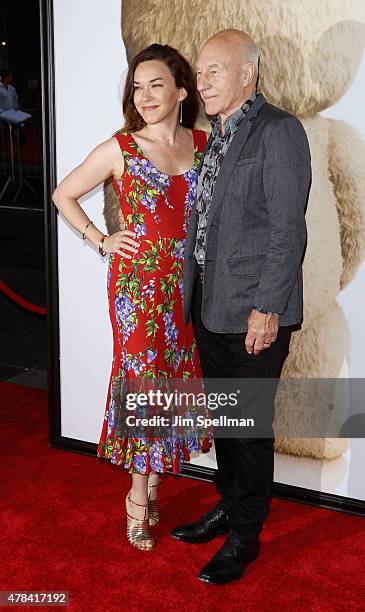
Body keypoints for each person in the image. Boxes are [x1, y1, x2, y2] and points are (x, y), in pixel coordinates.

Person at [52, 43, 210, 552]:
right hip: (138, 288)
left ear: (182, 91)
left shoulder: (206, 144)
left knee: (174, 379)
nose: (144, 95)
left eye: (156, 84)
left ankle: (157, 478)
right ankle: (138, 497)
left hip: (188, 286)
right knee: (143, 384)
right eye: (137, 86)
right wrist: (101, 239)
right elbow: (63, 193)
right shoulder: (121, 147)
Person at [171, 29, 311, 584]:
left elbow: (286, 230)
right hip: (210, 304)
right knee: (228, 420)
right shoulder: (218, 134)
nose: (200, 82)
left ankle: (245, 536)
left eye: (212, 71)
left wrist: (268, 308)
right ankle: (229, 505)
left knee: (249, 426)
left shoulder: (278, 131)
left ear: (247, 73)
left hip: (255, 311)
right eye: (199, 72)